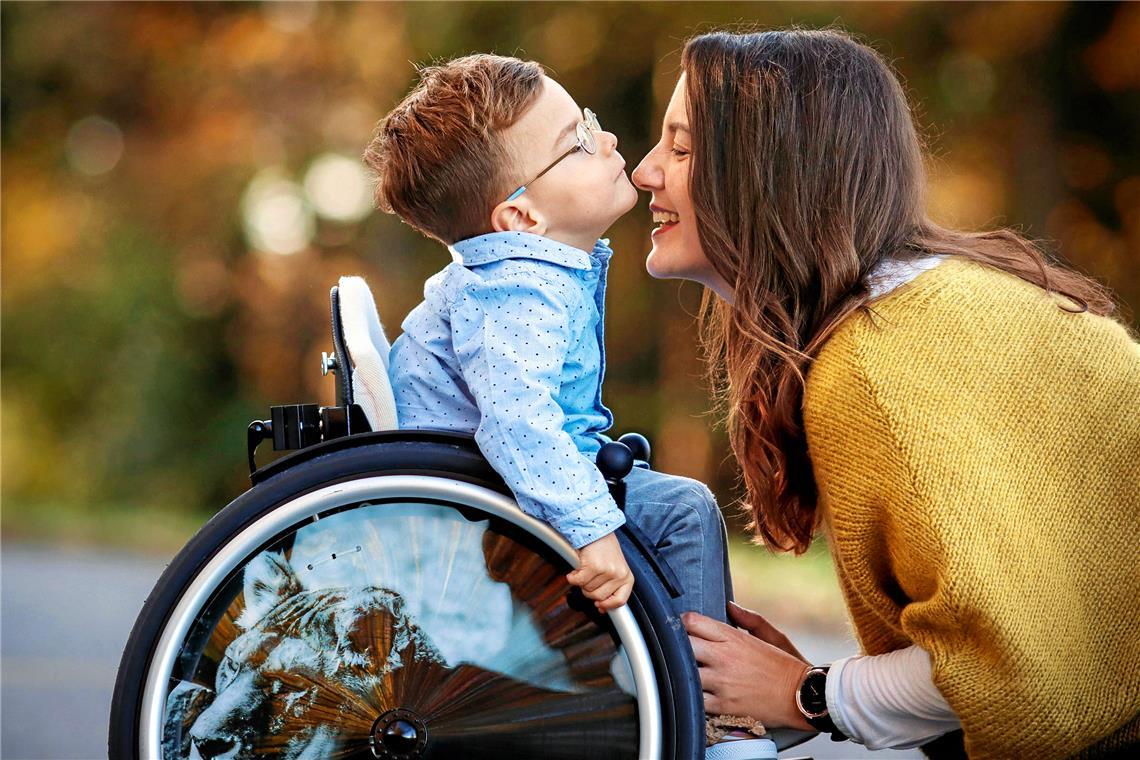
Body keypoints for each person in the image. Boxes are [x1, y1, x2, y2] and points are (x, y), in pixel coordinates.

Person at [631, 28, 1140, 760]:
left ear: (771, 172)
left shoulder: (872, 368)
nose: (647, 172)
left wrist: (807, 694)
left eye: (681, 149)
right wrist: (817, 683)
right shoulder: (947, 303)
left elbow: (1020, 682)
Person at [363, 54, 734, 640]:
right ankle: (717, 716)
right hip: (487, 507)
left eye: (589, 121)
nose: (607, 137)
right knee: (682, 512)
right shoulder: (519, 290)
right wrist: (591, 528)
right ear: (521, 216)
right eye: (578, 141)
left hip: (494, 489)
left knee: (671, 503)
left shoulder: (525, 274)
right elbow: (516, 420)